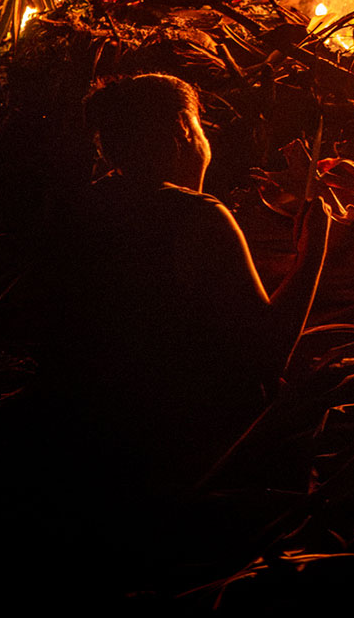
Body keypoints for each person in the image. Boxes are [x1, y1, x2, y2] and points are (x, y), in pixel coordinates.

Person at [42, 73, 331, 488]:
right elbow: (266, 352)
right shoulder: (198, 217)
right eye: (202, 126)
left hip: (84, 435)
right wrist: (314, 252)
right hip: (181, 449)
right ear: (183, 128)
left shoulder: (80, 208)